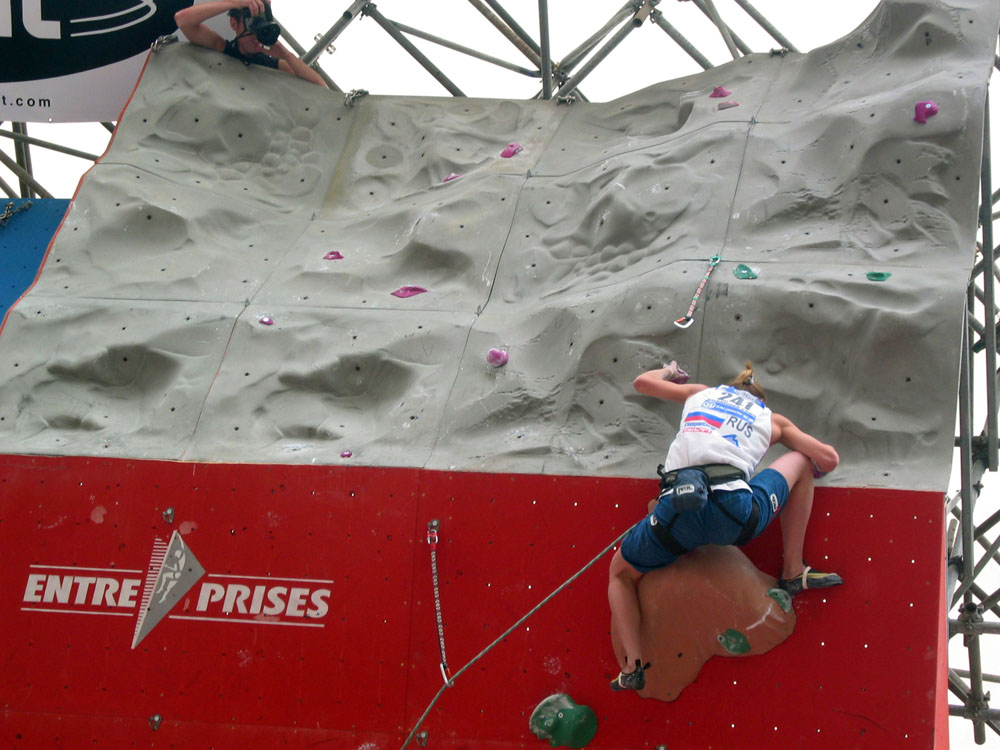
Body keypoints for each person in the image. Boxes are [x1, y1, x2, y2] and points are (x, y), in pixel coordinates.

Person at [607, 361, 842, 691]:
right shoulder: (771, 419)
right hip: (735, 515)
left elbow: (642, 383)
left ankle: (632, 666)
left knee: (620, 574)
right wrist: (788, 445)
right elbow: (828, 459)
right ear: (759, 399)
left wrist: (671, 371)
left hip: (677, 512)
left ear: (728, 388)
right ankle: (793, 570)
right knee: (801, 463)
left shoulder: (701, 393)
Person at [174, 0, 328, 88]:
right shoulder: (222, 48)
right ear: (234, 24)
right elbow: (182, 20)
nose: (255, 35)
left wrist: (286, 55)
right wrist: (235, 3)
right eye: (251, 25)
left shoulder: (273, 65)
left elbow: (322, 89)